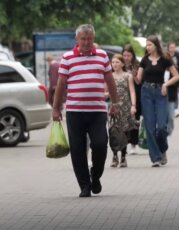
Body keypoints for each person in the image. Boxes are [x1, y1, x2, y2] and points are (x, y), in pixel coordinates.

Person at [52, 24, 119, 198]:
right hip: (75, 112)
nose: (87, 42)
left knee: (100, 144)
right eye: (83, 38)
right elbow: (60, 85)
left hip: (97, 111)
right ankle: (84, 185)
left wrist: (115, 103)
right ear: (77, 39)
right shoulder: (67, 58)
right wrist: (56, 108)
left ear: (93, 38)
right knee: (78, 149)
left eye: (90, 38)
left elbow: (110, 81)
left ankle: (95, 176)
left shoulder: (102, 56)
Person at [136, 35, 179, 167]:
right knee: (150, 127)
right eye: (146, 45)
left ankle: (162, 149)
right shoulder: (144, 60)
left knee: (161, 126)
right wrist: (134, 75)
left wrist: (166, 84)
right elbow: (138, 79)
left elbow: (177, 76)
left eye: (149, 44)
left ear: (156, 45)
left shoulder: (165, 59)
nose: (147, 47)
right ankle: (155, 157)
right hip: (146, 93)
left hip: (160, 93)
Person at [110, 54, 138, 168]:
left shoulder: (128, 76)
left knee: (124, 132)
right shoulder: (109, 76)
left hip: (125, 107)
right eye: (113, 62)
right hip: (113, 108)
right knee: (113, 132)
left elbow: (132, 91)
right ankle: (114, 156)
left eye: (117, 62)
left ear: (122, 64)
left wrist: (133, 105)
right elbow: (105, 91)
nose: (114, 64)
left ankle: (123, 157)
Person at [122, 44, 141, 155]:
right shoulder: (120, 64)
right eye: (124, 55)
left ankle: (134, 143)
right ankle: (124, 142)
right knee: (123, 120)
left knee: (134, 119)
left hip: (135, 95)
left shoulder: (137, 65)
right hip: (123, 95)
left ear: (132, 55)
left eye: (128, 55)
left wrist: (134, 75)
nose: (126, 58)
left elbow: (139, 81)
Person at [166, 42, 179, 135]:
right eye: (171, 47)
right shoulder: (165, 56)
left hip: (175, 80)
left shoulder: (178, 56)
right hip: (165, 82)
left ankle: (175, 109)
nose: (173, 48)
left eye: (174, 47)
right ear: (168, 48)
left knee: (173, 96)